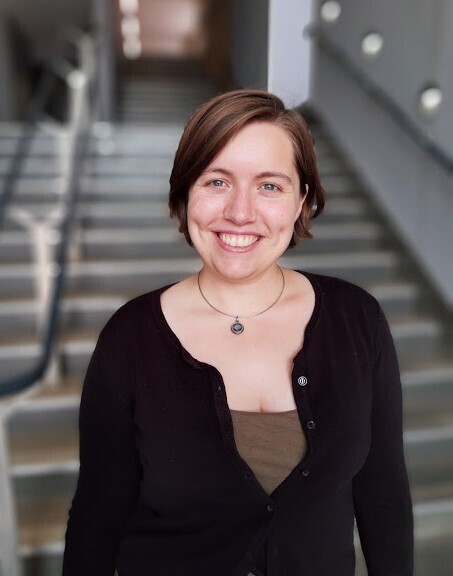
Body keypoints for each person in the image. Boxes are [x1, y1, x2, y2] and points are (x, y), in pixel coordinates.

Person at [63, 89, 414, 576]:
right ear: (185, 194)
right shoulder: (130, 338)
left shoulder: (358, 320)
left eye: (269, 186)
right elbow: (97, 519)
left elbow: (384, 499)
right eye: (217, 182)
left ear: (301, 201)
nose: (241, 213)